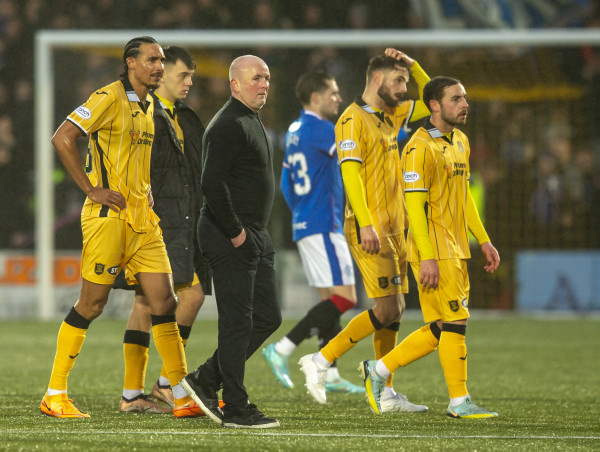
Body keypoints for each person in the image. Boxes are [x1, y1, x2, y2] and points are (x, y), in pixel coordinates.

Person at [40, 36, 203, 419]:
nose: (159, 66)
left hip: (144, 223)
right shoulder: (108, 96)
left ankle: (179, 393)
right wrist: (92, 189)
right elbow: (62, 137)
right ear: (130, 62)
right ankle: (55, 393)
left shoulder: (148, 107)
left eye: (162, 60)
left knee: (165, 302)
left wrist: (143, 193)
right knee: (92, 304)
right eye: (151, 60)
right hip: (108, 220)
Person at [359, 76, 501, 419]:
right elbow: (414, 209)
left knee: (443, 325)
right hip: (435, 250)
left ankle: (377, 372)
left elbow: (464, 198)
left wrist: (483, 239)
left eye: (464, 97)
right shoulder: (418, 148)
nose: (464, 104)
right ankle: (458, 401)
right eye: (456, 99)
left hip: (456, 247)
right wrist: (427, 257)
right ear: (434, 106)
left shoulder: (460, 142)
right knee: (456, 322)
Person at [298, 48, 430, 412]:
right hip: (367, 227)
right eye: (399, 80)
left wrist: (412, 64)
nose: (405, 88)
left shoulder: (394, 114)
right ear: (376, 79)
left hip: (396, 227)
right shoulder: (351, 120)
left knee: (396, 310)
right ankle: (321, 360)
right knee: (387, 309)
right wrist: (366, 222)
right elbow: (350, 175)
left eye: (406, 81)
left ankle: (385, 393)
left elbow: (433, 97)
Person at [180, 55, 282, 429]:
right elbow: (211, 183)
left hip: (254, 233)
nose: (264, 84)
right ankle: (235, 407)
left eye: (267, 78)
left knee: (268, 317)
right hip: (230, 235)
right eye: (256, 78)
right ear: (234, 84)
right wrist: (237, 233)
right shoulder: (226, 124)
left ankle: (206, 378)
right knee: (237, 322)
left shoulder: (251, 119)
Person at [116, 46, 213, 414]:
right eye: (183, 75)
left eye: (191, 76)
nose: (189, 82)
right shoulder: (143, 113)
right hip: (158, 222)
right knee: (170, 297)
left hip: (186, 219)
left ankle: (142, 391)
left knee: (163, 299)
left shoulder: (185, 115)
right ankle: (160, 385)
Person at [262, 71, 363, 394]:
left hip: (307, 221)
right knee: (346, 298)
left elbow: (285, 184)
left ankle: (329, 373)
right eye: (333, 92)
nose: (339, 98)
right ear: (316, 97)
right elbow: (355, 157)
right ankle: (284, 348)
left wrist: (302, 212)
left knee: (328, 300)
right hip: (324, 223)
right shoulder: (322, 129)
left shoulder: (294, 130)